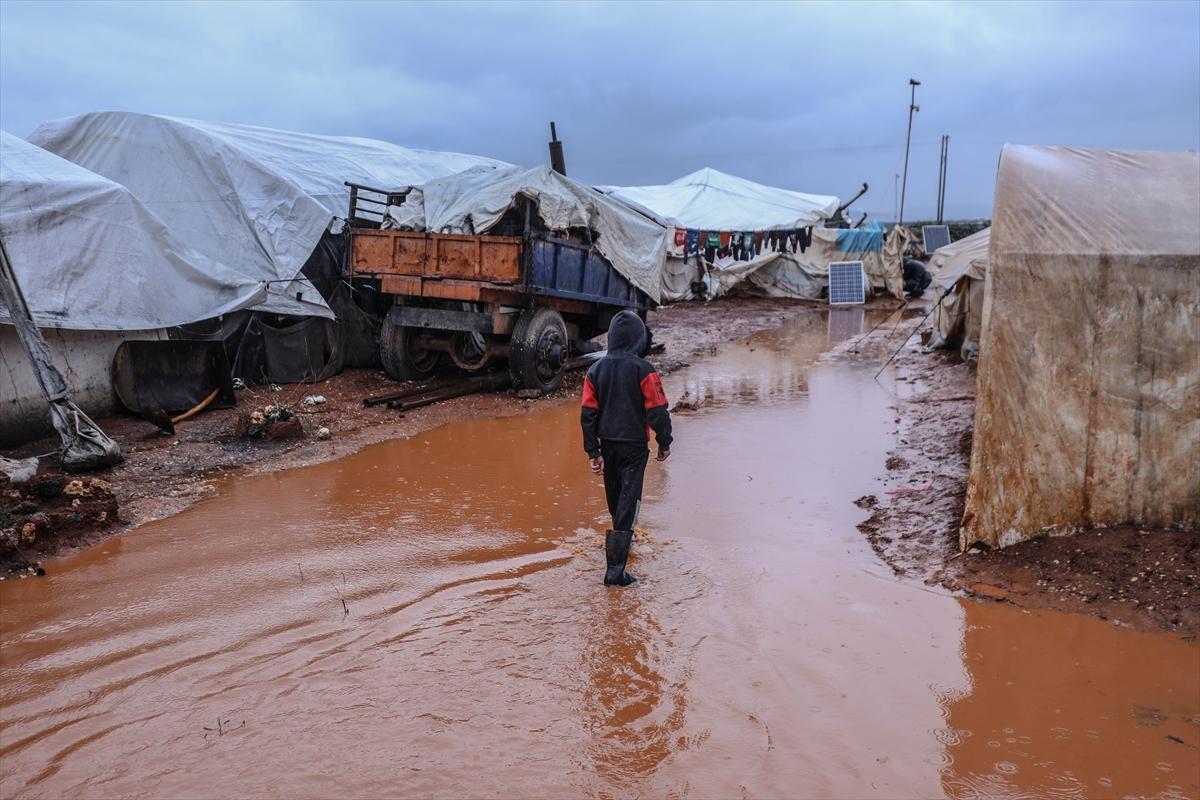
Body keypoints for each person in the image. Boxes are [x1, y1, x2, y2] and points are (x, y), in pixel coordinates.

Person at [580, 310, 673, 586]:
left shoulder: (595, 370)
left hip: (607, 445)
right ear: (638, 339)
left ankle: (620, 548)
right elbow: (658, 411)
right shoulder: (645, 370)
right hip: (634, 446)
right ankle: (615, 573)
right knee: (629, 501)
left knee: (616, 496)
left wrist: (592, 452)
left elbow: (587, 413)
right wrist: (664, 441)